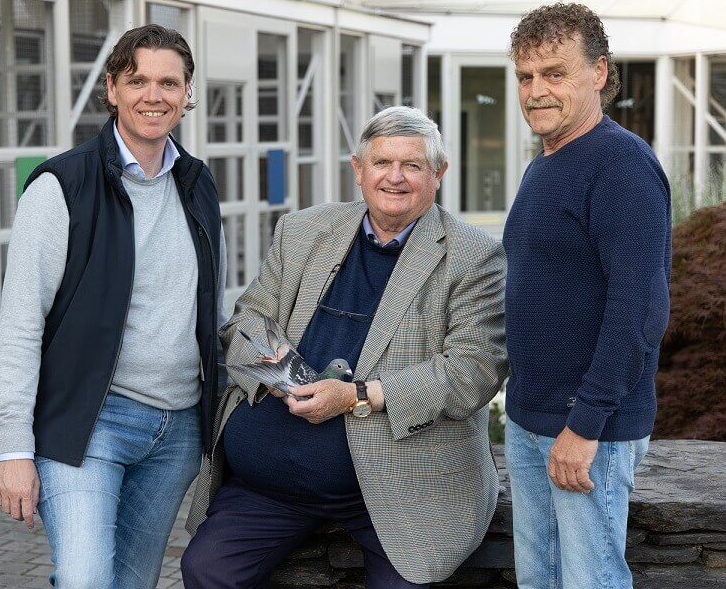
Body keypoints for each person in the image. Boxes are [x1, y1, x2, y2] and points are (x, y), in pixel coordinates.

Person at [181, 106, 507, 588]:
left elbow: (472, 370)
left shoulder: (473, 256)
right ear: (358, 169)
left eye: (412, 165)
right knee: (205, 570)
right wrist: (278, 372)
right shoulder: (304, 230)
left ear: (438, 174)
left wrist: (356, 396)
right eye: (382, 163)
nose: (394, 177)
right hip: (269, 485)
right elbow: (248, 319)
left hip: (397, 489)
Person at [0, 24, 226, 588]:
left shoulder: (198, 184)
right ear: (112, 89)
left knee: (133, 582)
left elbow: (208, 310)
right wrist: (13, 449)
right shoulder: (61, 186)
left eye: (169, 82)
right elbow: (20, 323)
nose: (154, 95)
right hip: (89, 424)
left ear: (187, 93)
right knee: (86, 578)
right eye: (138, 80)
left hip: (177, 432)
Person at [504, 3, 671, 588]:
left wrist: (586, 423)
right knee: (539, 582)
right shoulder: (545, 164)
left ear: (598, 72)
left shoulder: (620, 165)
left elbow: (640, 310)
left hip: (587, 429)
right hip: (531, 419)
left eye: (555, 73)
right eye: (525, 76)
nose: (536, 91)